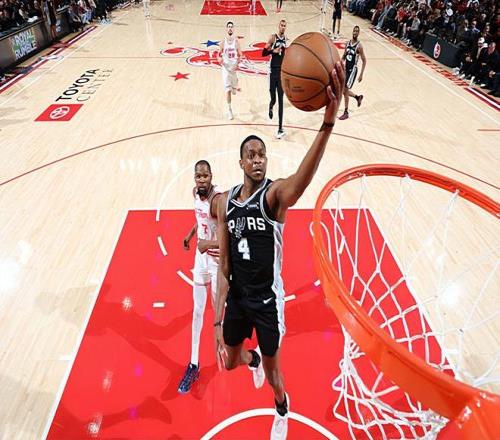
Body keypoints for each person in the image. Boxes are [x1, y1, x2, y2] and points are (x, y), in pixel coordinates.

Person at [213, 62, 345, 439]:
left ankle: (282, 408)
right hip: (239, 298)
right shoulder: (226, 204)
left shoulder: (274, 196)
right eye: (251, 155)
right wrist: (218, 320)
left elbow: (301, 180)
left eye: (262, 155)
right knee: (229, 362)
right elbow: (224, 265)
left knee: (275, 376)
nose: (258, 159)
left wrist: (327, 123)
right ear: (241, 162)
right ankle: (250, 358)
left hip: (268, 301)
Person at [178, 160, 222, 394]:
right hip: (200, 258)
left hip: (215, 259)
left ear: (211, 176)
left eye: (205, 176)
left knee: (219, 310)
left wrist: (210, 245)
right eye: (198, 176)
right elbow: (200, 221)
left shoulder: (218, 200)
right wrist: (190, 234)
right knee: (197, 310)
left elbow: (228, 234)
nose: (201, 180)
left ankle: (228, 345)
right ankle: (193, 364)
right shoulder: (195, 193)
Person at [263, 19, 287, 139]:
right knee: (274, 99)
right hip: (272, 72)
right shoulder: (273, 38)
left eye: (284, 26)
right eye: (281, 25)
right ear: (278, 26)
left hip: (281, 73)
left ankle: (280, 128)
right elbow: (263, 53)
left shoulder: (286, 40)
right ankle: (271, 105)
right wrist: (273, 51)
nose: (283, 27)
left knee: (281, 101)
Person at [338, 25, 366, 121]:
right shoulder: (347, 43)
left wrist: (361, 74)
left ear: (358, 33)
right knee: (343, 91)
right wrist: (340, 63)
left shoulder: (359, 46)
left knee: (345, 90)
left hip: (353, 70)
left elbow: (364, 60)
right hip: (346, 68)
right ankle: (357, 97)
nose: (355, 32)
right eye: (354, 31)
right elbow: (344, 56)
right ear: (352, 32)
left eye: (357, 31)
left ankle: (346, 112)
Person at [217, 21, 242, 120]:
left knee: (234, 91)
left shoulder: (236, 42)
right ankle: (229, 110)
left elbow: (240, 54)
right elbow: (218, 54)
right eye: (229, 27)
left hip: (233, 68)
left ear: (233, 29)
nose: (230, 28)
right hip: (226, 68)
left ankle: (235, 85)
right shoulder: (223, 42)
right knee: (227, 90)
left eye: (232, 27)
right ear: (226, 29)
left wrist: (238, 62)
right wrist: (219, 58)